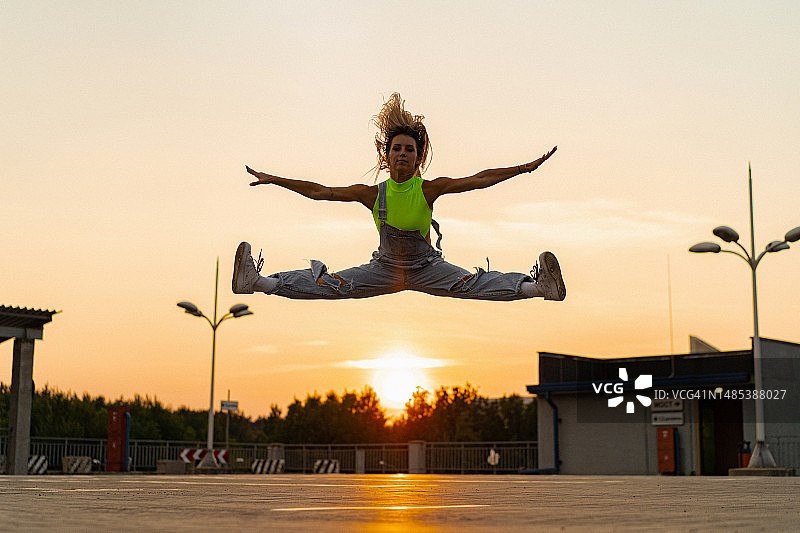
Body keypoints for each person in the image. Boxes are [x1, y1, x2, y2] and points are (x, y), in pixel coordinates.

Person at [232, 93, 565, 302]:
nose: (403, 154)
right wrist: (276, 180)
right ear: (386, 157)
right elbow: (320, 192)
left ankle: (539, 287)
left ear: (417, 158)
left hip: (428, 268)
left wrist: (523, 168)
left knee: (473, 284)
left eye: (410, 150)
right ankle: (256, 282)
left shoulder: (428, 189)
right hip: (385, 269)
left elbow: (479, 180)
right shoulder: (372, 195)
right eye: (397, 149)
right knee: (331, 284)